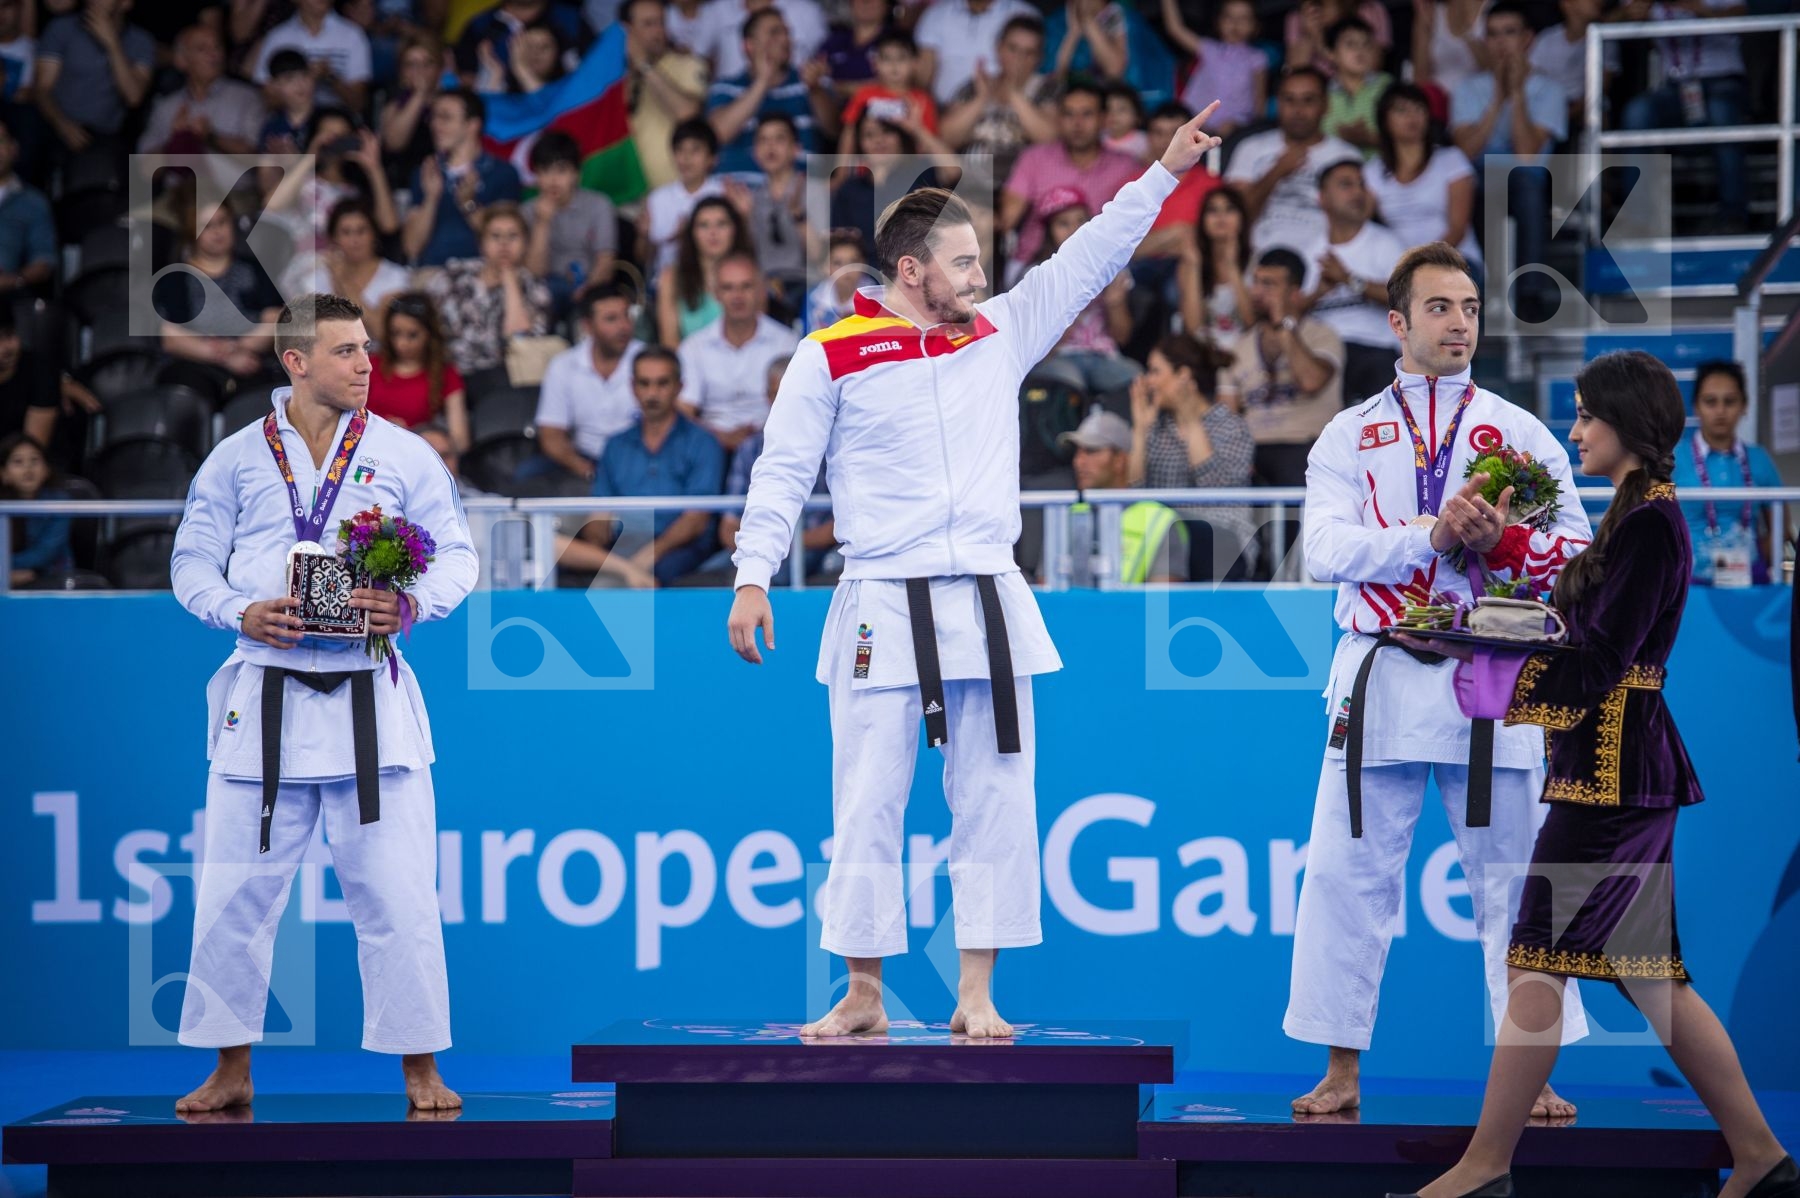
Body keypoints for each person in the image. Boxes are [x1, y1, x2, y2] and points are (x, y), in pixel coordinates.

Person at [725, 101, 1229, 1039]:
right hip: (879, 593)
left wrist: (1164, 171)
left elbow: (1091, 256)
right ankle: (864, 992)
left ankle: (977, 993)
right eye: (963, 263)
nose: (982, 276)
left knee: (994, 801)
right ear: (909, 271)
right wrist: (754, 574)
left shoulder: (1001, 331)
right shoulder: (828, 353)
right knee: (867, 797)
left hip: (988, 597)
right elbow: (783, 473)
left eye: (982, 262)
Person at [1393, 350, 1797, 1198]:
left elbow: (1600, 662)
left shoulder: (1649, 524)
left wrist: (1489, 670)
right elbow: (1581, 627)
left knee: (1537, 960)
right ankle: (1759, 1157)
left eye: (1584, 416)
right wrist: (1486, 627)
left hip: (1612, 782)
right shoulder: (1635, 512)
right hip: (1617, 772)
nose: (1573, 431)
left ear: (1627, 424)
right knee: (1651, 978)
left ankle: (1484, 1166)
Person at [1286, 241, 1593, 1120]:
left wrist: (1501, 542)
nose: (1459, 322)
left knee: (1515, 880)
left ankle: (1536, 1074)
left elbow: (1574, 554)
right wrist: (1429, 536)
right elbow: (1324, 553)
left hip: (1490, 675)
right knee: (1350, 878)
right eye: (1440, 308)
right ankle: (1341, 1071)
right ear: (1399, 322)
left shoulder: (1518, 432)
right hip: (1380, 672)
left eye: (1469, 307)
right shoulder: (1350, 432)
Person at [168, 291, 476, 1116]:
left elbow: (458, 557)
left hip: (370, 700)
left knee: (400, 898)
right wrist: (239, 611)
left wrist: (411, 605)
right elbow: (190, 563)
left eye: (369, 349)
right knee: (233, 896)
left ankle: (421, 1071)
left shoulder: (406, 453)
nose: (367, 364)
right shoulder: (234, 458)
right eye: (347, 352)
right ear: (295, 361)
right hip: (262, 696)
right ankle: (230, 1069)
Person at [1450, 2, 1564, 315]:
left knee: (1523, 181)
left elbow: (1527, 155)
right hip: (1479, 180)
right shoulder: (1468, 89)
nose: (1501, 42)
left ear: (1528, 38)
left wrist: (1516, 95)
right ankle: (1478, 293)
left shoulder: (1550, 89)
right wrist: (1497, 99)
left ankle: (1529, 293)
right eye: (1493, 34)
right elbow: (1465, 153)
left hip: (1528, 182)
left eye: (1510, 33)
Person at [587, 345, 726, 585]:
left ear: (679, 387)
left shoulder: (703, 443)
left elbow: (696, 520)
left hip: (681, 548)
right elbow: (600, 511)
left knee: (654, 575)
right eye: (644, 383)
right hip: (626, 543)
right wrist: (597, 544)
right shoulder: (615, 446)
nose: (652, 393)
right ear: (633, 387)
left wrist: (649, 554)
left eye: (662, 383)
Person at [1127, 332, 1256, 580]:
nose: (1148, 381)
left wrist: (1190, 419)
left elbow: (1215, 490)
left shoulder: (1231, 426)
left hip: (1224, 543)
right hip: (1166, 540)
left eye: (1155, 371)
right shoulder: (1157, 427)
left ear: (1183, 376)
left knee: (1169, 527)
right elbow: (1136, 494)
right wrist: (1140, 431)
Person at [1617, 0, 1751, 234]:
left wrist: (1698, 8)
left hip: (1722, 80)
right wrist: (1633, 13)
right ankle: (1638, 219)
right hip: (1675, 87)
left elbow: (1742, 14)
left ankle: (1733, 214)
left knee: (1721, 112)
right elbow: (1610, 19)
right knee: (1637, 113)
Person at [1217, 247, 1343, 488]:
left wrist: (1283, 325)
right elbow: (1227, 419)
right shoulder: (1237, 347)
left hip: (1307, 450)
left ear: (1295, 294)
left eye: (1269, 285)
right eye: (1255, 282)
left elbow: (1310, 381)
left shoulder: (1322, 336)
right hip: (1254, 454)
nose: (1257, 292)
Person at [1000, 81, 1142, 276]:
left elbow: (1135, 229)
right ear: (1058, 119)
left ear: (1104, 119)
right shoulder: (1034, 158)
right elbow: (1006, 218)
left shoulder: (1126, 167)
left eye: (1087, 114)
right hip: (1034, 265)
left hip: (1099, 268)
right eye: (1069, 114)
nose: (1077, 123)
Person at [716, 355, 837, 580]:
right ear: (766, 395)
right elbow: (728, 528)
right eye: (776, 393)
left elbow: (842, 524)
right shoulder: (750, 447)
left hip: (816, 549)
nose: (783, 401)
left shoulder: (835, 444)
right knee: (705, 579)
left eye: (790, 393)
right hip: (757, 549)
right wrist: (763, 550)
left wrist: (775, 547)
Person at [1296, 158, 1406, 405]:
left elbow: (1405, 299)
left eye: (1361, 185)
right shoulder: (1308, 251)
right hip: (1323, 352)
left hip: (1376, 348)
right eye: (1346, 185)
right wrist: (1318, 293)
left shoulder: (1386, 243)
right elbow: (1288, 314)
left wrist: (1349, 279)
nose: (1358, 192)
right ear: (1321, 198)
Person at [1673, 359, 1785, 588]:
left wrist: (1756, 559)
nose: (1720, 410)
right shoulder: (1674, 459)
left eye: (1730, 401)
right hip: (1689, 586)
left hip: (1751, 583)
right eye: (1710, 401)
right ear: (1696, 406)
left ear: (1744, 405)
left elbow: (1781, 525)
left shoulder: (1759, 458)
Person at [1223, 67, 1358, 256]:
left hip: (1324, 260)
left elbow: (1354, 223)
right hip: (1259, 257)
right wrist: (1277, 172)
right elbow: (1234, 218)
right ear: (1278, 103)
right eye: (1289, 100)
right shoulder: (1250, 148)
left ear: (1326, 105)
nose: (1298, 110)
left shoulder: (1346, 156)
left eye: (1308, 100)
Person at [678, 250, 800, 451]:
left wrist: (755, 437)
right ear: (716, 293)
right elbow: (684, 413)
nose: (737, 296)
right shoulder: (694, 347)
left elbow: (795, 408)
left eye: (746, 286)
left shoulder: (787, 342)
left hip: (770, 442)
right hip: (709, 444)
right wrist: (721, 437)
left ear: (762, 290)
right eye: (728, 288)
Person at [1025, 187, 1139, 398]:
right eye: (1063, 223)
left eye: (1080, 220)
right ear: (1049, 231)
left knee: (1137, 381)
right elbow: (1036, 349)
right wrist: (1073, 302)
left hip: (1104, 356)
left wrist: (1114, 304)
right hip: (1059, 357)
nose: (1074, 229)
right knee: (1068, 386)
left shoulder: (1112, 265)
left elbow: (1122, 338)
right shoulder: (1037, 274)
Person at [1062, 407, 1188, 586]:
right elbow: (1043, 595)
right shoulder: (1064, 514)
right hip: (1067, 614)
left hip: (1132, 614)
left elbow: (1162, 607)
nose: (1079, 461)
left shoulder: (1159, 521)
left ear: (1120, 460)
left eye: (1091, 450)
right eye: (1077, 452)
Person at [424, 202, 553, 375]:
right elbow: (424, 323)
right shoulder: (454, 274)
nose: (504, 244)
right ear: (481, 243)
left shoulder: (534, 288)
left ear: (525, 244)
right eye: (495, 236)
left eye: (513, 236)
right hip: (450, 374)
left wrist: (510, 280)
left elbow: (521, 342)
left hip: (504, 378)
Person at [537, 280, 646, 483]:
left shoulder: (648, 360)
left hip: (641, 461)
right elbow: (551, 436)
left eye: (627, 316)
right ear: (588, 326)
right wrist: (587, 471)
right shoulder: (563, 366)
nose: (623, 326)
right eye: (611, 319)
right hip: (583, 462)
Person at [1364, 82, 1481, 270]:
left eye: (1419, 109)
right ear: (1384, 121)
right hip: (1397, 267)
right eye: (1401, 110)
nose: (1412, 117)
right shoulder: (1373, 170)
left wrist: (1420, 265)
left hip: (1455, 261)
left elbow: (1458, 229)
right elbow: (1359, 221)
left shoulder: (1451, 159)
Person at [705, 10, 833, 180]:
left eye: (787, 33)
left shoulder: (811, 83)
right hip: (735, 197)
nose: (785, 40)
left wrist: (816, 91)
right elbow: (718, 134)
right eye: (774, 33)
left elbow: (834, 131)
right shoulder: (725, 87)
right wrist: (763, 81)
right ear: (749, 46)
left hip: (797, 198)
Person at [403, 89, 523, 268]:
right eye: (434, 117)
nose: (435, 124)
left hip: (483, 274)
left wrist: (469, 203)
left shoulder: (502, 173)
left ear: (472, 125)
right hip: (432, 275)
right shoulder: (426, 173)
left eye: (446, 117)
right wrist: (430, 198)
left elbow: (506, 240)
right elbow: (411, 247)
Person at [936, 14, 1057, 186]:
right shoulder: (976, 85)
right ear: (998, 48)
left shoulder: (1048, 89)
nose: (1019, 59)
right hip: (968, 184)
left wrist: (1014, 94)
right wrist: (981, 99)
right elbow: (947, 136)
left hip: (1019, 191)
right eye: (1012, 49)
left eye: (1029, 53)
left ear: (1039, 58)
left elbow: (1050, 140)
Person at [32, 0, 154, 157]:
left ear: (125, 3)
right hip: (57, 125)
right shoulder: (61, 28)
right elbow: (42, 89)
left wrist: (112, 44)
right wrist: (63, 125)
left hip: (106, 135)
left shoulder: (141, 41)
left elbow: (133, 97)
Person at [523, 130, 618, 318]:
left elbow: (605, 263)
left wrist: (587, 292)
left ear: (576, 173)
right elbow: (533, 273)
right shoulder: (526, 210)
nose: (553, 180)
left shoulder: (599, 205)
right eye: (545, 171)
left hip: (591, 285)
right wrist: (542, 223)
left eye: (561, 170)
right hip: (545, 289)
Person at [137, 24, 264, 158]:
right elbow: (142, 171)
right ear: (181, 61)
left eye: (217, 47)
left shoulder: (246, 97)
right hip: (180, 179)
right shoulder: (166, 107)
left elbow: (260, 157)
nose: (214, 54)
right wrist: (177, 141)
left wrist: (211, 138)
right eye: (202, 49)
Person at [623, 0, 708, 192]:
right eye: (648, 24)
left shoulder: (688, 64)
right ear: (627, 31)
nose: (658, 31)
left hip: (673, 191)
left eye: (661, 22)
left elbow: (687, 113)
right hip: (627, 195)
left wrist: (645, 65)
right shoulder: (613, 77)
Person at [368, 291, 469, 448]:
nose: (402, 343)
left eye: (412, 335)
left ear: (429, 334)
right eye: (395, 333)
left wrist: (409, 435)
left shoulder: (446, 375)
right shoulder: (369, 365)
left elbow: (460, 442)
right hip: (366, 448)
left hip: (414, 457)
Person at [282, 197, 413, 317]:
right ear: (334, 239)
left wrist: (343, 283)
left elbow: (381, 332)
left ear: (374, 235)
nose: (354, 240)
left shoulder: (397, 277)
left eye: (361, 231)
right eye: (346, 232)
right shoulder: (318, 277)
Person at [657, 195, 755, 346]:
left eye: (722, 224)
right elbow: (670, 342)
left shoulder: (751, 274)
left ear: (735, 230)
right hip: (689, 366)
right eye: (703, 225)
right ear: (692, 233)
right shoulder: (671, 277)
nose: (713, 232)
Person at [1162, 0, 1266, 139]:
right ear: (1218, 22)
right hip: (1196, 124)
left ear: (1255, 26)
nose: (1235, 24)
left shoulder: (1257, 58)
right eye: (1228, 17)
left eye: (1244, 18)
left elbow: (1259, 101)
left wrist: (1244, 126)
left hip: (1235, 129)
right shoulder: (1209, 49)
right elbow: (1175, 29)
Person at [251, 0, 373, 112]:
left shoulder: (353, 35)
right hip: (288, 121)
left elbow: (358, 103)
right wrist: (305, 80)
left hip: (338, 121)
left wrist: (330, 77)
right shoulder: (277, 37)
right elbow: (267, 100)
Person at [641, 119, 727, 277]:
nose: (686, 158)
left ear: (712, 158)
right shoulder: (657, 199)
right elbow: (645, 258)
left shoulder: (723, 194)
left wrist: (687, 236)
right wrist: (643, 236)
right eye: (680, 150)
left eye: (695, 150)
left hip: (716, 282)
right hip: (666, 282)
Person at [914, 0, 1038, 105]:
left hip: (1003, 109)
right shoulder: (936, 14)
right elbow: (923, 72)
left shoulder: (1023, 13)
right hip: (942, 109)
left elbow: (1032, 64)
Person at [838, 29, 938, 155]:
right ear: (874, 63)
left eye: (901, 58)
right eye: (886, 58)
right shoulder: (864, 95)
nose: (894, 65)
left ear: (915, 63)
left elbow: (926, 142)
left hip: (907, 169)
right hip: (868, 169)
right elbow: (849, 135)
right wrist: (841, 173)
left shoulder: (923, 100)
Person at [1176, 186, 1253, 350]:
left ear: (1242, 218)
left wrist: (1232, 268)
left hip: (1246, 350)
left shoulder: (1257, 260)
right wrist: (1194, 266)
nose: (1220, 217)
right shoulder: (1190, 262)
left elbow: (1251, 322)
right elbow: (1193, 328)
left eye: (1229, 209)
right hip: (1206, 351)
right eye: (1212, 210)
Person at [1527, 0, 1614, 135]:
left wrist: (1563, 114)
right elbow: (1531, 81)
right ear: (1567, 3)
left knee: (1599, 114)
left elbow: (1600, 89)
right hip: (1546, 107)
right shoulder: (1546, 39)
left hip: (1585, 110)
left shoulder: (1604, 39)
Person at [1, 431, 70, 587]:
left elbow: (45, 554)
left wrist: (5, 567)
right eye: (18, 461)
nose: (28, 468)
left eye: (35, 460)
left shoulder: (60, 503)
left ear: (46, 470)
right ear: (4, 473)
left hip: (51, 577)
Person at [1321, 17, 1391, 155]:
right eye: (1350, 44)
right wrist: (1342, 138)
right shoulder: (1321, 93)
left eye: (1366, 44)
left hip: (1381, 170)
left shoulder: (1386, 86)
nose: (1360, 51)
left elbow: (1405, 139)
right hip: (1332, 171)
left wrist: (1369, 139)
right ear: (1331, 54)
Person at [0, 116, 52, 294]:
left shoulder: (33, 202)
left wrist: (16, 280)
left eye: (0, 141)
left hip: (7, 295)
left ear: (14, 148)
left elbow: (43, 260)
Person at [1285, 0, 1391, 77]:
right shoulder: (1299, 17)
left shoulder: (1370, 10)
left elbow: (1372, 68)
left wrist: (1318, 41)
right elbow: (1296, 74)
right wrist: (1308, 36)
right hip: (1317, 97)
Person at [1411, 0, 1492, 98]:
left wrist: (1466, 33)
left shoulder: (1492, 9)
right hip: (1439, 100)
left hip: (1478, 98)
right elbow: (1420, 77)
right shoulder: (1430, 13)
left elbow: (1491, 69)